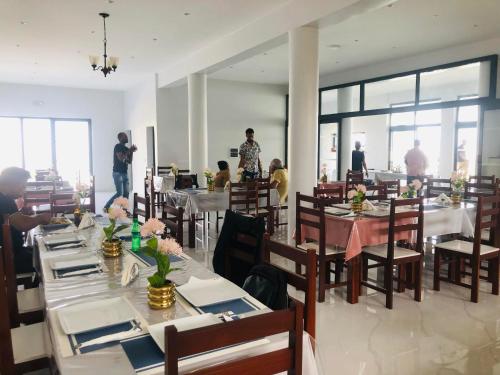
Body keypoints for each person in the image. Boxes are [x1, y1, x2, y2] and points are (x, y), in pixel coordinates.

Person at [0, 167, 51, 276]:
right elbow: (22, 225)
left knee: (41, 250)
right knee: (48, 260)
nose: (24, 190)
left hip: (10, 253)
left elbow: (17, 219)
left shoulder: (5, 198)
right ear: (12, 183)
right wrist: (41, 218)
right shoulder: (4, 200)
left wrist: (30, 217)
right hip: (9, 259)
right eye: (22, 186)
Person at [104, 132, 137, 211]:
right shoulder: (118, 146)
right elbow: (121, 158)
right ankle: (106, 206)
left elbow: (129, 161)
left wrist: (131, 152)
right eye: (124, 136)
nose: (126, 137)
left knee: (126, 193)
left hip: (124, 173)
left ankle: (124, 210)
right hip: (117, 173)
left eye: (126, 136)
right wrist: (130, 150)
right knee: (120, 193)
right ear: (120, 138)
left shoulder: (126, 149)